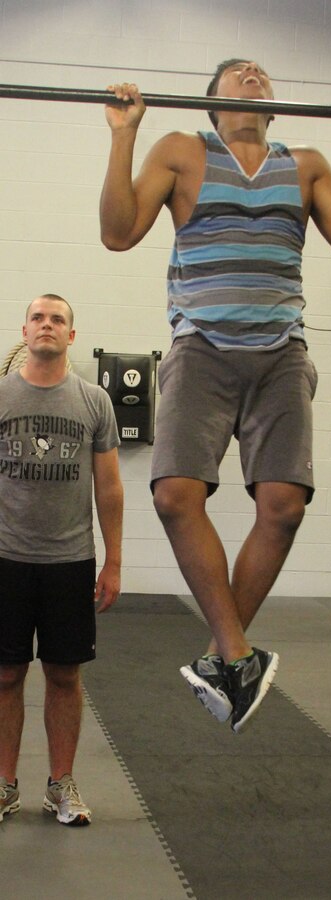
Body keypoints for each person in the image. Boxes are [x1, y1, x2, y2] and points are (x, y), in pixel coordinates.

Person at [99, 59, 331, 733]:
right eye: (238, 72)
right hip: (202, 347)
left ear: (275, 103)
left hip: (282, 351)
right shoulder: (183, 152)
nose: (253, 74)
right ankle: (235, 652)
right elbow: (117, 232)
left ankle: (225, 656)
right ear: (214, 102)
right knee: (173, 495)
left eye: (261, 72)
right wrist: (122, 134)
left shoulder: (305, 164)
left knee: (283, 507)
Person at [0, 294, 123, 827]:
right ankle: (4, 785)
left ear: (71, 336)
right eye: (38, 318)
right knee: (6, 675)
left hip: (71, 560)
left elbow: (111, 489)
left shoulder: (94, 402)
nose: (47, 325)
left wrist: (113, 561)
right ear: (25, 331)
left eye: (58, 320)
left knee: (64, 675)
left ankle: (60, 785)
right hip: (6, 558)